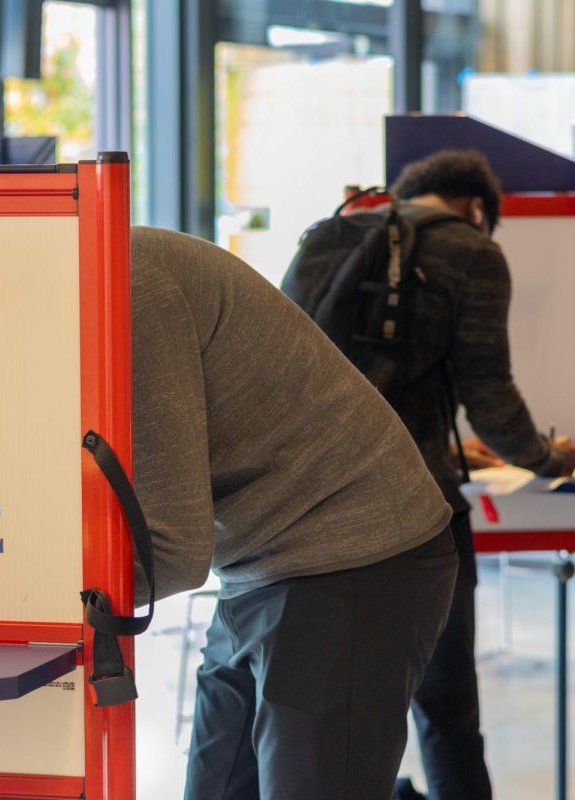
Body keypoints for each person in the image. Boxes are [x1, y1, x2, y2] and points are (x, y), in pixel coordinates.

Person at [130, 225, 459, 800]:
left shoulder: (131, 287)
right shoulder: (94, 286)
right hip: (260, 560)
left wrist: (35, 605)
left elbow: (174, 552)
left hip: (354, 556)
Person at [368, 150, 575, 800]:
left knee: (335, 707)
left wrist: (447, 437)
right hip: (419, 515)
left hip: (314, 511)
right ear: (478, 208)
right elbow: (491, 394)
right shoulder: (471, 251)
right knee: (445, 700)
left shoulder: (347, 232)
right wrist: (548, 456)